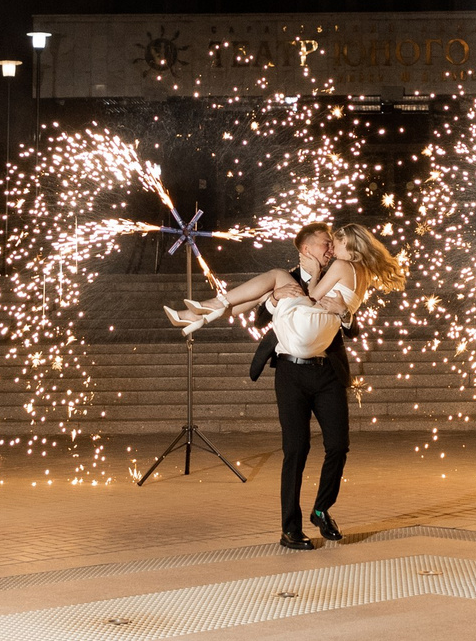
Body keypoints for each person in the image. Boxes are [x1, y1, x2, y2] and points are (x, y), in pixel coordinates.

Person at [167, 222, 404, 549]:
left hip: (327, 372)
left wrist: (343, 313)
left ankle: (321, 509)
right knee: (296, 449)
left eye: (333, 244)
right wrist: (275, 297)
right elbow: (261, 318)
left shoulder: (339, 269)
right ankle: (290, 529)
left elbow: (348, 321)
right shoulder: (293, 276)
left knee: (338, 446)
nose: (331, 249)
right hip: (290, 373)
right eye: (326, 244)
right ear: (308, 250)